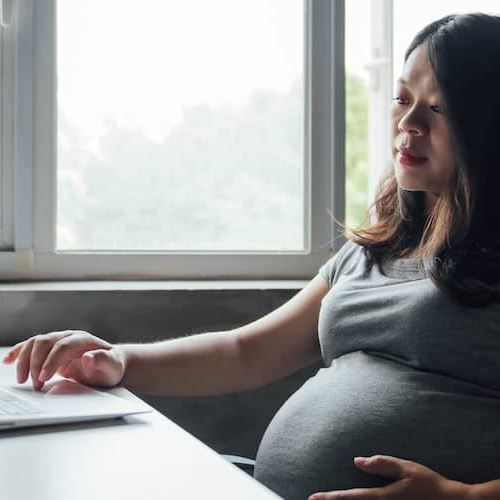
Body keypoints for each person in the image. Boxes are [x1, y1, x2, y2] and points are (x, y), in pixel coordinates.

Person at [4, 11, 500, 500]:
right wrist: (116, 360)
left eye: (439, 109)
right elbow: (248, 351)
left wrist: (465, 496)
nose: (408, 123)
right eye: (402, 98)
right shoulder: (369, 254)